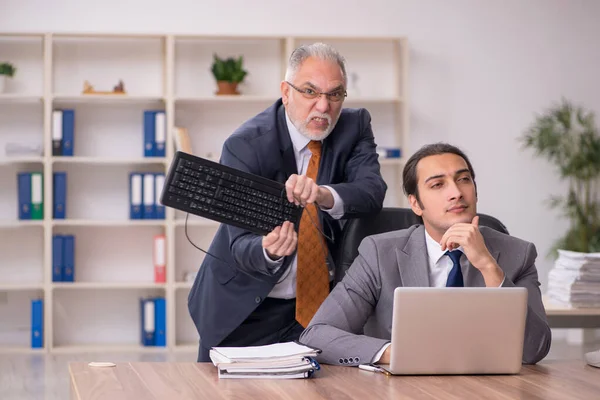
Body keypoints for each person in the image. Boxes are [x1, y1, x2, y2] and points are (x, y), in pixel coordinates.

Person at [188, 42, 387, 362]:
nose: (323, 106)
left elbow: (371, 192)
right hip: (246, 309)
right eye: (310, 91)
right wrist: (268, 249)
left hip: (320, 312)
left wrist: (324, 194)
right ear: (286, 91)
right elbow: (239, 243)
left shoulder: (354, 125)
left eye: (335, 94)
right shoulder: (246, 145)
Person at [299, 142, 552, 366]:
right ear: (416, 204)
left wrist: (488, 267)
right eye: (438, 184)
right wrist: (397, 352)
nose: (456, 193)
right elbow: (318, 334)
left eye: (463, 179)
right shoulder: (379, 254)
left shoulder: (517, 254)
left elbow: (535, 350)